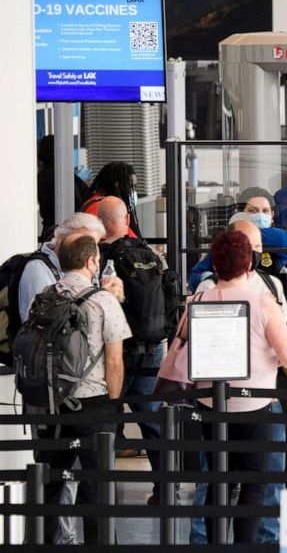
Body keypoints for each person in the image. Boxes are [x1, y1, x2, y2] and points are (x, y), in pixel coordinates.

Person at [184, 230, 287, 544]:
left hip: (210, 405)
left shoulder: (198, 299)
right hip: (255, 407)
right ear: (249, 263)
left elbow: (182, 346)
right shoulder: (263, 302)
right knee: (253, 484)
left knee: (216, 482)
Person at [36, 234, 129, 544]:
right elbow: (114, 361)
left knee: (50, 483)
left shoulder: (46, 295)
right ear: (92, 262)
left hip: (51, 403)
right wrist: (114, 406)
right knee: (97, 486)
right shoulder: (103, 300)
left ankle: (43, 543)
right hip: (94, 403)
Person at [96, 197, 167, 505]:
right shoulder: (150, 254)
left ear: (101, 223)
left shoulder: (99, 257)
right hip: (152, 349)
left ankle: (102, 491)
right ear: (126, 219)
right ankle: (166, 489)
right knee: (152, 422)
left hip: (116, 352)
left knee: (105, 420)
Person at [187, 191, 287, 289]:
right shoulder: (226, 242)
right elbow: (194, 278)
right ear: (241, 214)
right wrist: (208, 278)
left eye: (265, 211)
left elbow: (284, 239)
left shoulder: (283, 237)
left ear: (272, 215)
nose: (260, 215)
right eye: (253, 211)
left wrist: (235, 233)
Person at [36, 134, 89, 240]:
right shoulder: (62, 174)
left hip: (49, 228)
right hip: (67, 229)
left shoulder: (42, 176)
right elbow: (78, 201)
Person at [80, 161, 142, 238]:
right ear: (118, 186)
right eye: (131, 186)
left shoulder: (98, 204)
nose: (134, 191)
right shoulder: (101, 208)